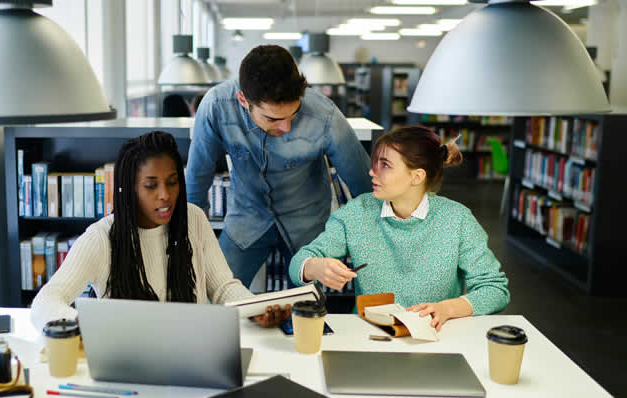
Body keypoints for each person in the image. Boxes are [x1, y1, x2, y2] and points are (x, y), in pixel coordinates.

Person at [31, 131, 289, 332]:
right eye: (150, 186)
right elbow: (46, 301)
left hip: (192, 354)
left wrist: (255, 308)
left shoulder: (194, 219)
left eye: (173, 182)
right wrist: (83, 327)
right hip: (128, 362)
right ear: (130, 188)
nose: (165, 195)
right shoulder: (101, 237)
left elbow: (222, 287)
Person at [185, 45, 372, 289]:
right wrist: (191, 236)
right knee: (214, 295)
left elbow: (363, 183)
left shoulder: (325, 115)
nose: (286, 127)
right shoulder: (216, 106)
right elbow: (198, 176)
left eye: (293, 115)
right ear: (243, 100)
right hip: (245, 218)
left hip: (308, 224)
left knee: (306, 310)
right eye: (273, 118)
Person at [289, 126, 510, 331]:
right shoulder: (357, 212)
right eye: (375, 163)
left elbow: (495, 289)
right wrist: (315, 267)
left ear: (416, 176)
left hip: (436, 338)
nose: (372, 172)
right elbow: (298, 264)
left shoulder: (457, 220)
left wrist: (448, 309)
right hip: (370, 336)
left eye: (384, 165)